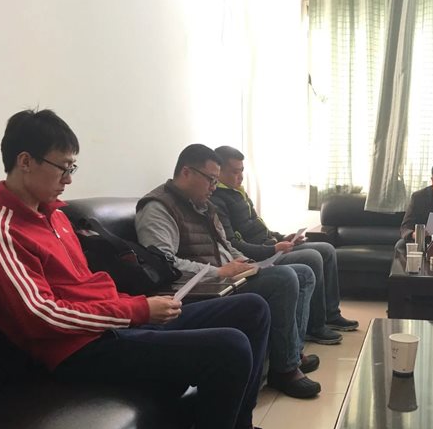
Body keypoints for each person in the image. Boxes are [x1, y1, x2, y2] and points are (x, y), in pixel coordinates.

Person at [0, 109, 286, 429]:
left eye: (72, 168)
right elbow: (43, 314)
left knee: (251, 308)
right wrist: (137, 311)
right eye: (63, 167)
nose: (69, 179)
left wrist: (136, 306)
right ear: (25, 161)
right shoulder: (3, 228)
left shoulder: (57, 217)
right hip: (78, 349)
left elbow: (87, 289)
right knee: (229, 347)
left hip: (112, 325)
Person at [135, 144, 322, 399]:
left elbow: (225, 245)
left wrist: (246, 262)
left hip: (228, 278)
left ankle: (291, 353)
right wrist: (219, 271)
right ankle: (285, 369)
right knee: (285, 278)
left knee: (303, 273)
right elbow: (163, 264)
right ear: (187, 172)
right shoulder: (158, 208)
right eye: (211, 179)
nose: (214, 186)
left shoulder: (203, 205)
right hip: (204, 289)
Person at [210, 146, 358, 345]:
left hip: (270, 247)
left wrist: (282, 237)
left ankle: (331, 314)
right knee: (313, 257)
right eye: (235, 172)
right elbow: (233, 244)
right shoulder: (217, 200)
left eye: (242, 170)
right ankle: (315, 327)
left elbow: (259, 228)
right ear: (218, 172)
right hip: (261, 256)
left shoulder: (239, 193)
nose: (241, 177)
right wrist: (273, 249)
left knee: (326, 249)